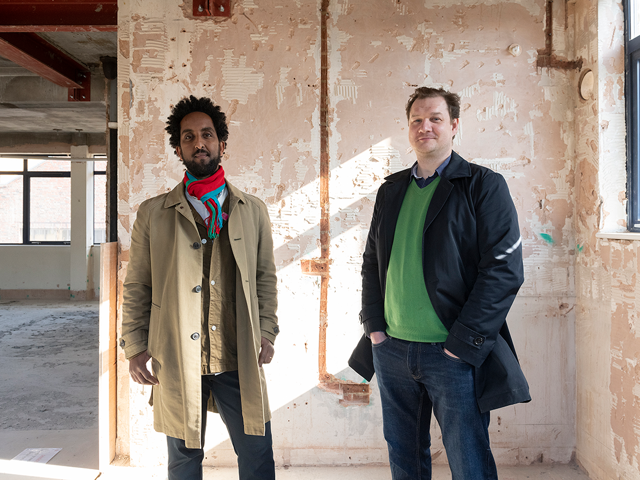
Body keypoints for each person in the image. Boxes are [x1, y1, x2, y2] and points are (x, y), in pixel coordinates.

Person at [357, 87, 531, 480]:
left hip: (452, 354)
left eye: (435, 118)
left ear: (454, 125)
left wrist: (461, 345)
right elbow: (371, 262)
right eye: (416, 120)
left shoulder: (483, 185)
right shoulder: (391, 190)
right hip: (392, 350)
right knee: (405, 461)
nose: (425, 127)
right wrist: (374, 328)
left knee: (469, 463)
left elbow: (504, 270)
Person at [119, 95, 279, 480]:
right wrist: (135, 345)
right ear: (178, 149)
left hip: (236, 354)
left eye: (207, 134)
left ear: (222, 143)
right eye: (188, 137)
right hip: (177, 354)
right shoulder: (153, 213)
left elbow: (264, 277)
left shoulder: (252, 210)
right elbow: (138, 284)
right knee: (184, 461)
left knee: (258, 455)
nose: (199, 143)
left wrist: (267, 330)